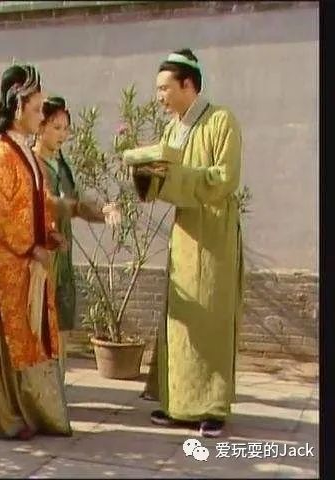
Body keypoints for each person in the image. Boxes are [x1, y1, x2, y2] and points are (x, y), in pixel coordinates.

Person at [128, 48, 244, 438]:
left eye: (165, 88)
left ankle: (212, 406)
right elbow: (161, 184)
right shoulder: (172, 130)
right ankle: (178, 403)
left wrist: (175, 179)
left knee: (211, 316)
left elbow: (223, 177)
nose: (160, 96)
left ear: (188, 84)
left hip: (214, 230)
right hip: (185, 230)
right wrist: (144, 174)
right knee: (182, 320)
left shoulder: (221, 121)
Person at [0, 64, 72, 440]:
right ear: (17, 108)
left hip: (31, 264)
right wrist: (31, 245)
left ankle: (31, 412)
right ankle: (6, 417)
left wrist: (48, 234)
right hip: (9, 264)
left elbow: (36, 203)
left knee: (33, 338)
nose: (40, 116)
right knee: (11, 341)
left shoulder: (28, 155)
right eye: (36, 109)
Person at [31, 96, 106, 380]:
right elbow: (41, 206)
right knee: (40, 320)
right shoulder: (31, 164)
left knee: (61, 319)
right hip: (39, 252)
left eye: (65, 128)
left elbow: (74, 202)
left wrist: (101, 211)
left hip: (62, 253)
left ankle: (56, 384)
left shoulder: (61, 165)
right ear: (40, 127)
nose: (62, 134)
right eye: (56, 127)